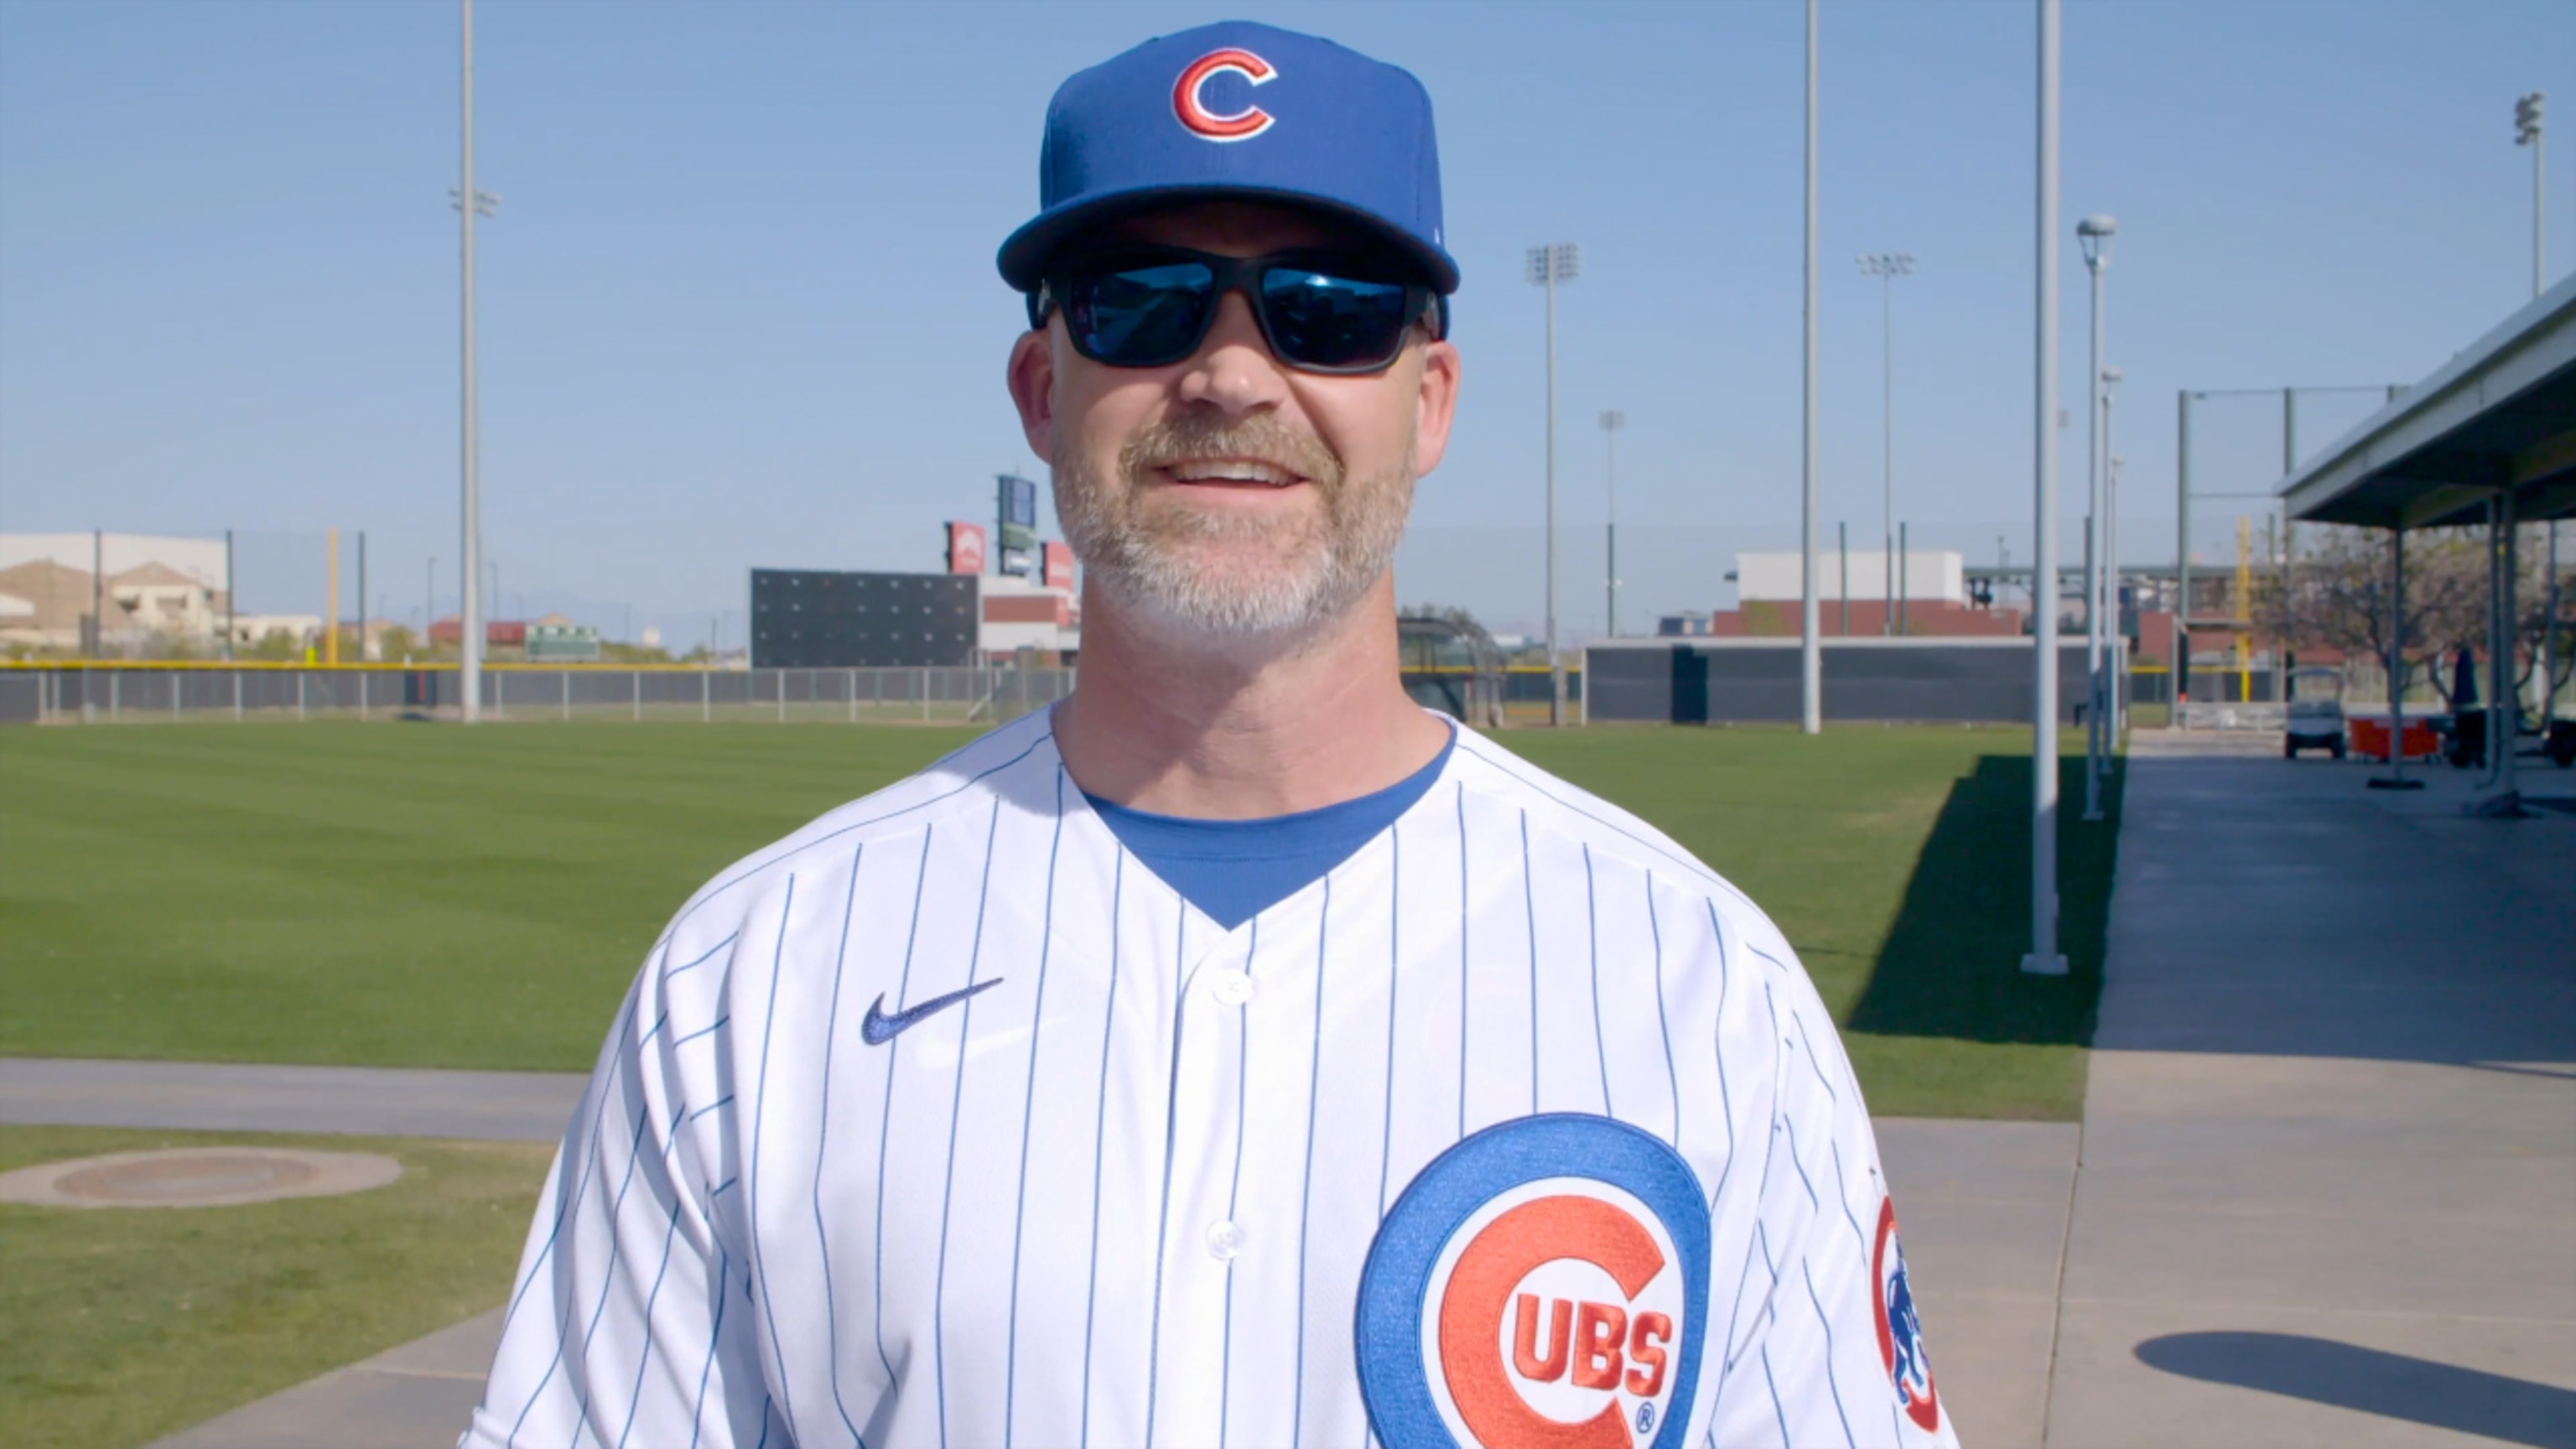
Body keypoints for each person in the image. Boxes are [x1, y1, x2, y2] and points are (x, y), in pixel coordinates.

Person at [465, 21, 1955, 1448]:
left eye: (1330, 307)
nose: (1234, 374)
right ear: (1045, 391)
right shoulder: (757, 973)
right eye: (1146, 295)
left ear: (1428, 402)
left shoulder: (1705, 988)